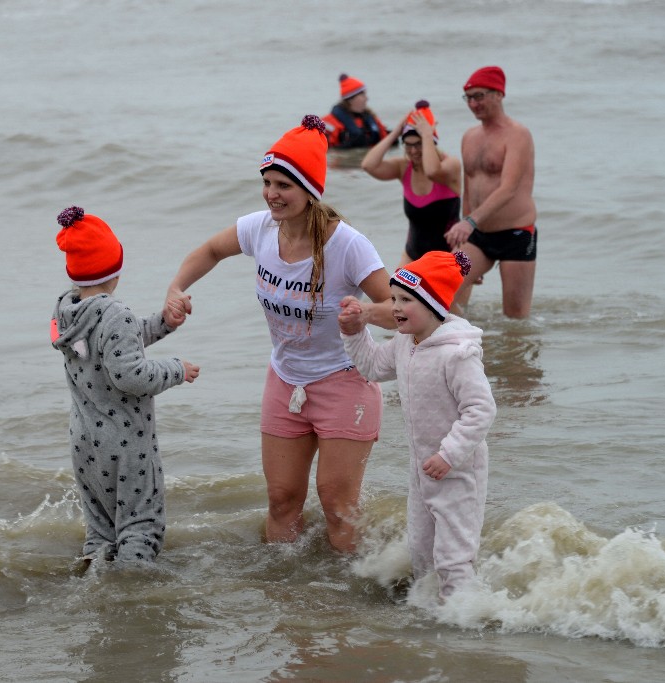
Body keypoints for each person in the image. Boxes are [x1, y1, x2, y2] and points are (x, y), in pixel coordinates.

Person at [165, 115, 395, 553]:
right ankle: (283, 590)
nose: (272, 194)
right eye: (267, 182)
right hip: (285, 379)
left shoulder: (347, 245)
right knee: (281, 499)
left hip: (344, 380)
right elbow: (211, 250)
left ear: (310, 190)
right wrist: (177, 288)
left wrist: (364, 313)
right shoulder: (259, 229)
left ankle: (350, 598)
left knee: (337, 503)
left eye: (284, 185)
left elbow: (400, 311)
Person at [338, 250, 496, 598]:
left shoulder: (457, 353)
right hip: (421, 468)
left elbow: (481, 409)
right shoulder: (404, 342)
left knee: (453, 559)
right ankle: (428, 622)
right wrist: (355, 331)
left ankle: (465, 626)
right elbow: (373, 368)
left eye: (406, 299)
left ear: (433, 304)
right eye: (393, 298)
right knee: (422, 552)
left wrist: (449, 454)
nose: (394, 307)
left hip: (457, 470)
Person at [51, 206, 200, 565]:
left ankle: (95, 584)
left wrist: (164, 323)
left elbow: (116, 347)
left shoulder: (68, 312)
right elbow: (130, 375)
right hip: (125, 443)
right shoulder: (115, 313)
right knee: (141, 526)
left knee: (101, 530)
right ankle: (130, 598)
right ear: (115, 270)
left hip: (85, 440)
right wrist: (176, 369)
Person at [445, 65, 537, 318]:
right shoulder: (469, 136)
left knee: (515, 320)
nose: (473, 104)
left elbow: (508, 189)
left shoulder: (518, 134)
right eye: (469, 98)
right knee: (439, 290)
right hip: (477, 236)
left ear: (499, 94)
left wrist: (469, 222)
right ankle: (470, 340)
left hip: (516, 234)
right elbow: (469, 186)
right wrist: (464, 228)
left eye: (479, 96)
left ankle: (509, 357)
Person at [360, 100, 463, 308]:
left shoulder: (449, 166)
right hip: (413, 253)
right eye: (409, 144)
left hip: (449, 258)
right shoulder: (403, 168)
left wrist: (427, 133)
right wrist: (395, 132)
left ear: (431, 141)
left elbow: (432, 171)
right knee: (396, 310)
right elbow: (368, 165)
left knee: (450, 321)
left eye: (419, 144)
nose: (414, 151)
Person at [322, 74, 390, 149]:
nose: (366, 98)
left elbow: (385, 139)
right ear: (351, 99)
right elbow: (325, 150)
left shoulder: (372, 119)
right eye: (362, 95)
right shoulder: (329, 123)